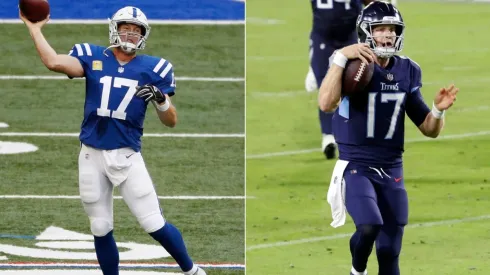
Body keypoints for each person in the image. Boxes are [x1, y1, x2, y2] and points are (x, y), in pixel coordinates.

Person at [20, 6, 206, 275]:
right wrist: (34, 29)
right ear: (115, 29)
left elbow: (171, 121)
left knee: (153, 223)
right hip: (91, 154)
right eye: (126, 28)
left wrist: (161, 100)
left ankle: (192, 271)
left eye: (136, 30)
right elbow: (54, 62)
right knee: (99, 226)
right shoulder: (92, 55)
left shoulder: (155, 68)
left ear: (143, 35)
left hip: (127, 155)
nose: (130, 35)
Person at [318, 1, 459, 274]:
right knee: (369, 225)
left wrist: (438, 111)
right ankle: (357, 270)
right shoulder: (348, 63)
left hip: (392, 167)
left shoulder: (408, 69)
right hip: (356, 164)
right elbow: (326, 103)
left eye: (391, 29)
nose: (387, 35)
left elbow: (428, 129)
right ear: (365, 32)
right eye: (380, 29)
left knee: (389, 251)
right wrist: (339, 57)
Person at [306, 0, 373, 159]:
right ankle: (328, 136)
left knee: (354, 85)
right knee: (326, 85)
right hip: (324, 38)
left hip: (350, 37)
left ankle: (353, 133)